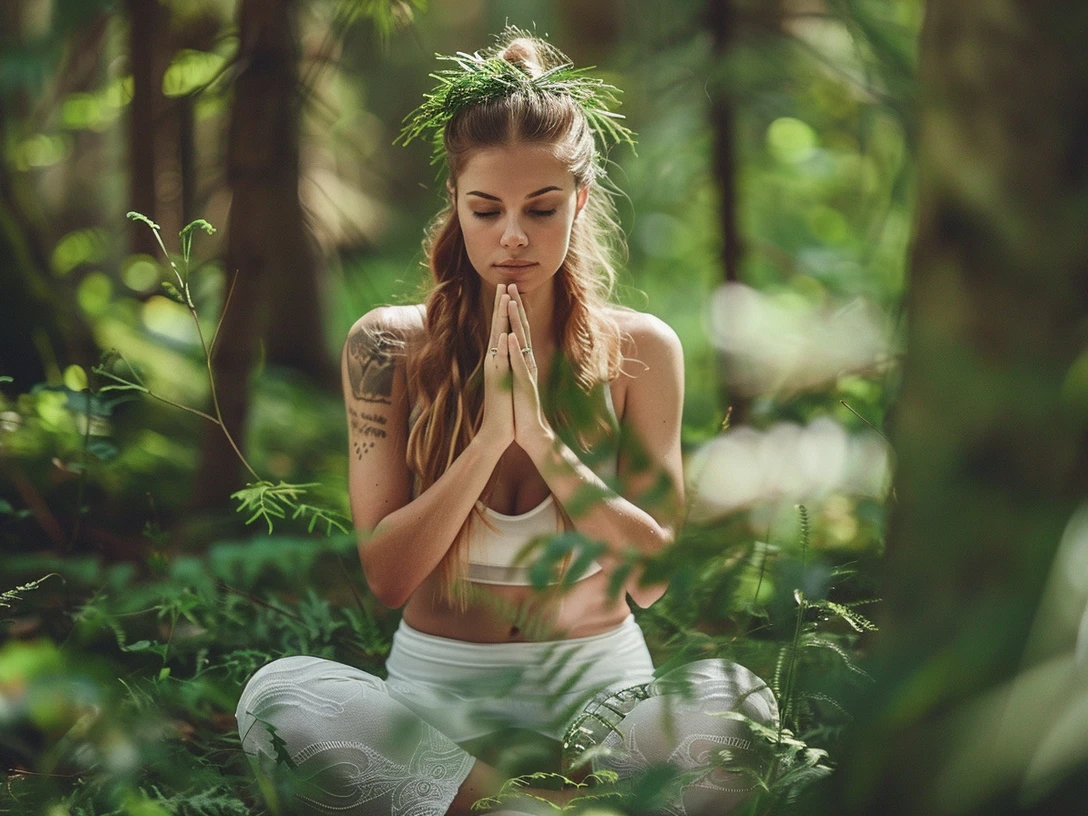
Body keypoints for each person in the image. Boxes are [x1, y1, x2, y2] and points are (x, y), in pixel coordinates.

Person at [235, 31, 777, 816]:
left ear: (579, 203)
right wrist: (490, 439)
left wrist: (547, 445)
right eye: (487, 209)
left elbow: (655, 580)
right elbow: (387, 577)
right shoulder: (387, 344)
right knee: (276, 698)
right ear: (455, 205)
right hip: (436, 712)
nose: (514, 235)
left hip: (608, 707)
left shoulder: (643, 351)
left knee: (738, 699)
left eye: (542, 208)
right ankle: (527, 805)